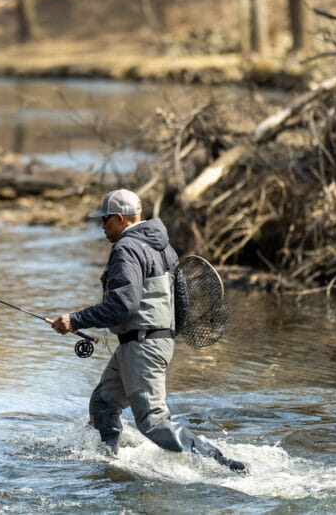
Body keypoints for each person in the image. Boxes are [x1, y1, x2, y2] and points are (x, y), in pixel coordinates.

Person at [51, 188, 246, 473]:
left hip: (142, 346)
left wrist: (75, 319)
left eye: (104, 220)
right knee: (103, 404)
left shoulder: (126, 248)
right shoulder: (164, 247)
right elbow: (182, 299)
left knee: (152, 421)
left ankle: (223, 465)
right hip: (144, 343)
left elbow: (123, 306)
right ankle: (110, 461)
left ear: (119, 218)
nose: (102, 227)